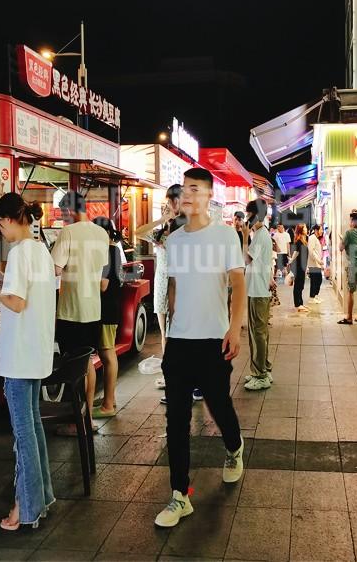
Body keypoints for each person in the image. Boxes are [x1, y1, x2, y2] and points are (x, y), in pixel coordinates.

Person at [154, 168, 246, 528]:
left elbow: (237, 284)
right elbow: (176, 287)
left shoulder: (225, 236)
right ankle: (180, 494)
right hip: (180, 341)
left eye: (195, 189)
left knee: (219, 405)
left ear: (209, 196)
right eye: (185, 190)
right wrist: (171, 326)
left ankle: (234, 448)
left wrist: (234, 329)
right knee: (176, 420)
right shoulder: (175, 240)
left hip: (213, 338)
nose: (188, 195)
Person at [0, 193, 56, 531]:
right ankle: (41, 498)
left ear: (9, 220)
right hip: (36, 352)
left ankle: (25, 507)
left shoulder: (19, 252)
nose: (1, 231)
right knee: (34, 428)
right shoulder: (40, 250)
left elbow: (16, 303)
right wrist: (2, 281)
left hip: (18, 357)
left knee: (23, 433)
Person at [51, 191, 109, 432]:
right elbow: (103, 275)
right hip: (93, 309)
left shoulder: (68, 232)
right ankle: (87, 420)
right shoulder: (102, 233)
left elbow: (55, 269)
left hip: (71, 311)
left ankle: (76, 422)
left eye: (63, 213)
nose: (63, 217)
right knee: (88, 364)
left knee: (73, 368)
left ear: (70, 210)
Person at [135, 184, 192, 400]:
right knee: (165, 335)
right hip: (161, 285)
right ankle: (171, 378)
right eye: (165, 205)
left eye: (169, 203)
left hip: (179, 286)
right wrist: (161, 220)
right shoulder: (160, 235)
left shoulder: (186, 230)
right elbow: (138, 232)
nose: (167, 207)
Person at [91, 216, 125, 419]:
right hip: (111, 308)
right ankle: (109, 399)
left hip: (106, 309)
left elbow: (102, 285)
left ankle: (108, 405)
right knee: (108, 353)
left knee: (107, 354)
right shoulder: (115, 249)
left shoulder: (107, 251)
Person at [242, 199, 275, 391]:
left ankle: (260, 375)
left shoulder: (260, 236)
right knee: (259, 333)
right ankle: (263, 368)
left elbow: (246, 259)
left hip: (257, 291)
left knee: (258, 334)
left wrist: (245, 238)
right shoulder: (262, 234)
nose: (246, 218)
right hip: (258, 289)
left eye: (248, 214)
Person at [339, 210, 357, 324]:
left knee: (351, 292)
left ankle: (349, 317)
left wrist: (342, 239)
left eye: (350, 220)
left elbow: (341, 248)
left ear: (352, 221)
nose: (349, 222)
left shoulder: (349, 233)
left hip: (353, 267)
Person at [287, 224, 310, 313]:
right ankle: (297, 304)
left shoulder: (304, 241)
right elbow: (296, 253)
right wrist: (291, 260)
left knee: (301, 285)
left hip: (302, 266)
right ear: (301, 230)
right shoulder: (299, 241)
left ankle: (300, 303)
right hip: (298, 266)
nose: (306, 229)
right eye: (305, 228)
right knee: (298, 285)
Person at [308, 224, 324, 304]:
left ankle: (315, 296)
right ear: (316, 230)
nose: (322, 231)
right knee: (314, 281)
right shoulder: (312, 238)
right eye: (321, 229)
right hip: (313, 263)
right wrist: (318, 260)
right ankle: (312, 297)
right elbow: (311, 251)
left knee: (319, 280)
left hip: (317, 263)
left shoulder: (316, 238)